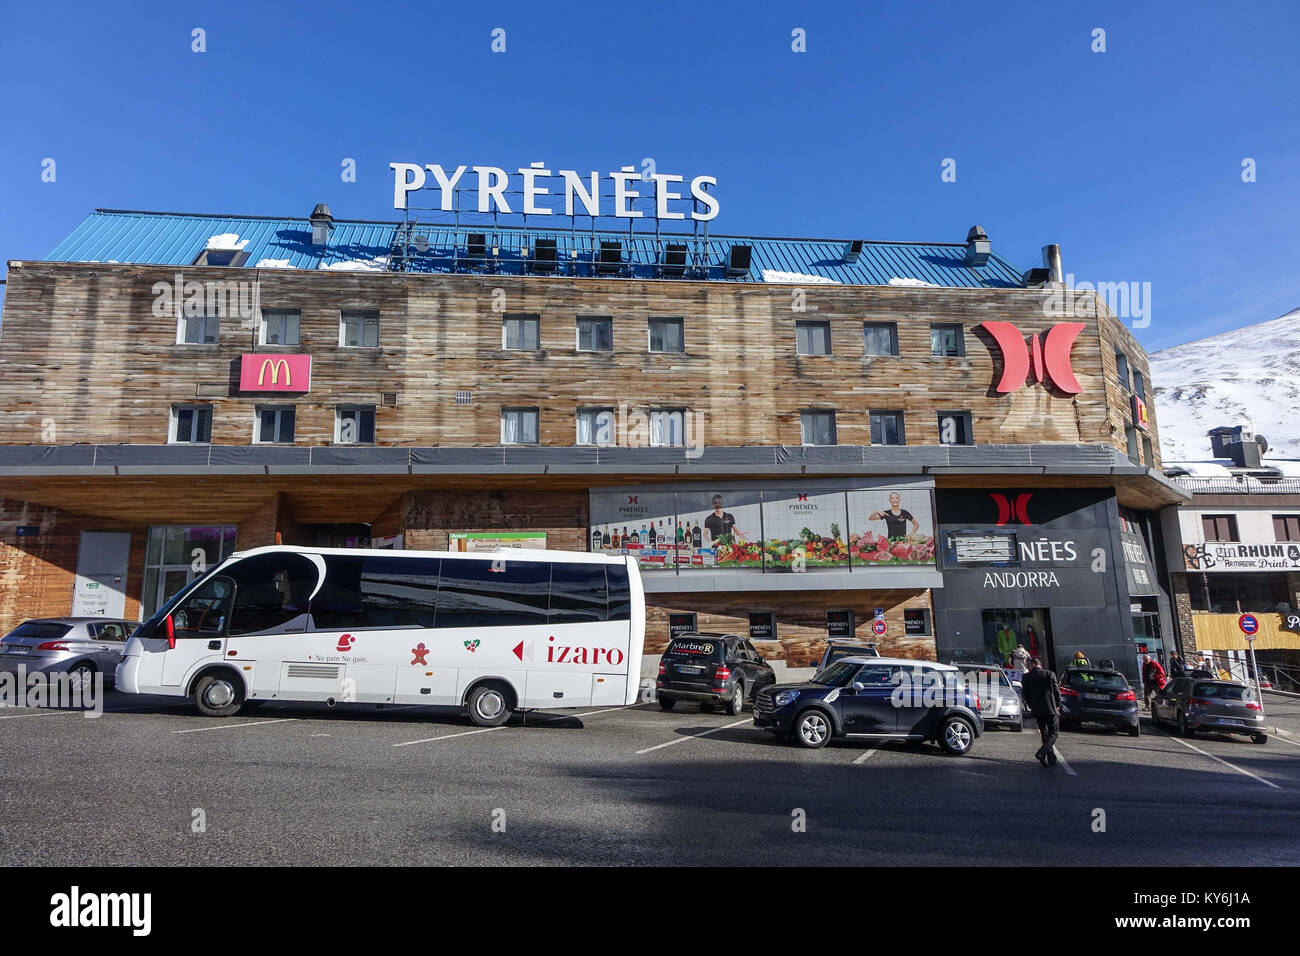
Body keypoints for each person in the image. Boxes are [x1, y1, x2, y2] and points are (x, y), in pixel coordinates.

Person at [1021, 658, 1061, 767]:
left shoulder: (1026, 677)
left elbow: (1025, 694)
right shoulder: (1049, 674)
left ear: (1034, 664)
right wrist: (1057, 704)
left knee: (1044, 733)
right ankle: (1042, 752)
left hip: (1037, 710)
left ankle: (1051, 758)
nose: (1028, 668)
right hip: (1051, 708)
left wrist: (1031, 705)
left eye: (1029, 665)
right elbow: (1057, 691)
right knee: (1054, 733)